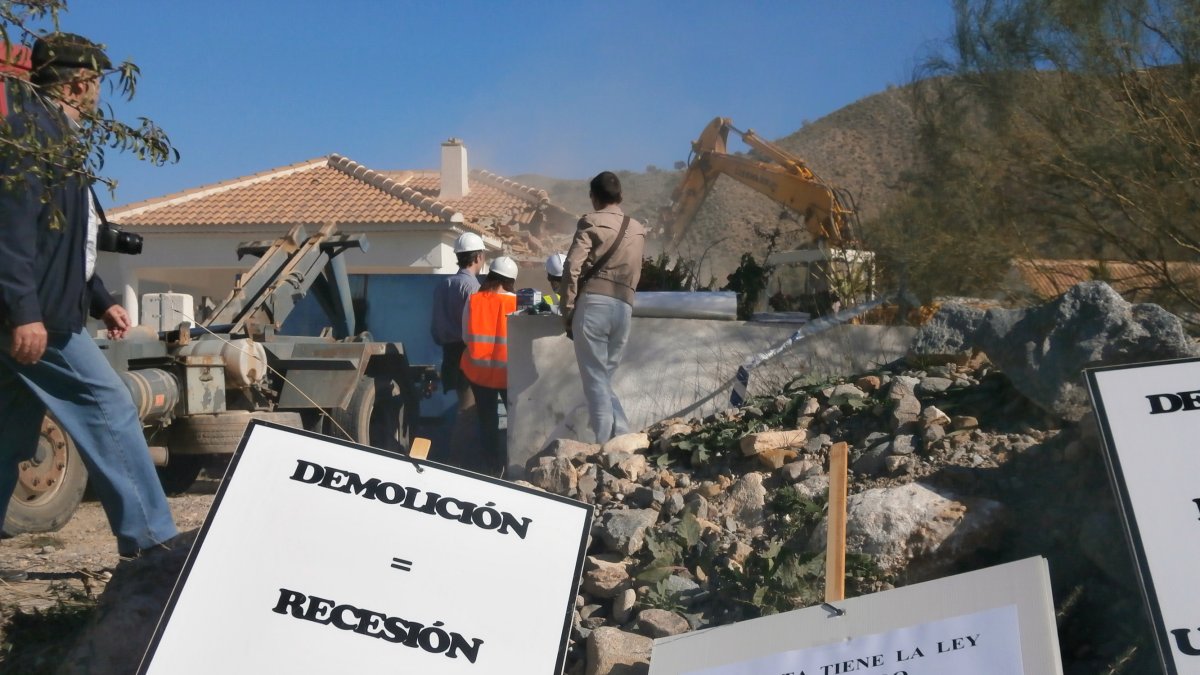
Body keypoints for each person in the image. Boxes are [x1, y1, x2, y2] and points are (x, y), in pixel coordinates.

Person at [0, 33, 178, 565]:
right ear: (80, 83)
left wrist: (100, 298)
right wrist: (24, 313)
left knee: (8, 432)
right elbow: (12, 234)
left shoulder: (56, 136)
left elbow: (65, 240)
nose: (99, 92)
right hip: (42, 321)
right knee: (111, 409)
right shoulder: (29, 137)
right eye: (98, 82)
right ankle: (151, 543)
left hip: (48, 308)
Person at [559, 171, 646, 444]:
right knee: (604, 378)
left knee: (595, 381)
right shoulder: (638, 228)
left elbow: (572, 267)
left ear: (594, 198)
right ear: (620, 196)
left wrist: (568, 309)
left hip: (594, 305)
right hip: (624, 308)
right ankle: (621, 437)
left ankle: (605, 445)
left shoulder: (590, 222)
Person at [459, 256, 518, 477]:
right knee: (515, 419)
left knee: (487, 420)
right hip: (508, 374)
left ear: (490, 275)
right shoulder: (518, 302)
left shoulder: (474, 300)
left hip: (477, 371)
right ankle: (512, 464)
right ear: (512, 280)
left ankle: (490, 467)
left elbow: (466, 336)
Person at [430, 232, 485, 467]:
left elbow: (435, 328)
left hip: (448, 354)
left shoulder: (445, 285)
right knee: (468, 412)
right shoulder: (473, 288)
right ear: (479, 257)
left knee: (460, 408)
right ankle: (458, 463)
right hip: (467, 354)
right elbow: (476, 328)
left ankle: (455, 458)